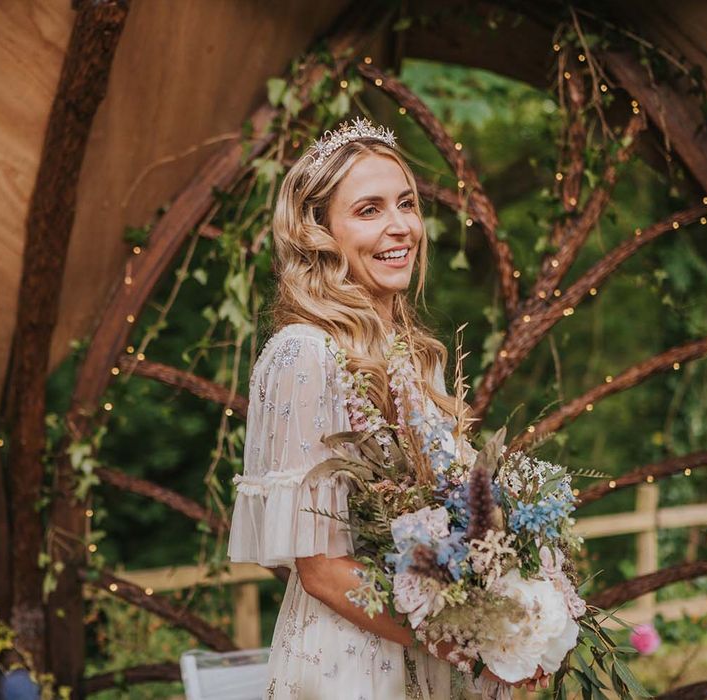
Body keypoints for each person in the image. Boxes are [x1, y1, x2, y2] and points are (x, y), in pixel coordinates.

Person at [227, 118, 550, 699]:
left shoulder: (412, 357)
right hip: (350, 660)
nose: (400, 226)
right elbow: (320, 569)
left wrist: (515, 611)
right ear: (318, 231)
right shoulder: (305, 355)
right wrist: (473, 641)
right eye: (369, 209)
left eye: (405, 203)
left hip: (428, 649)